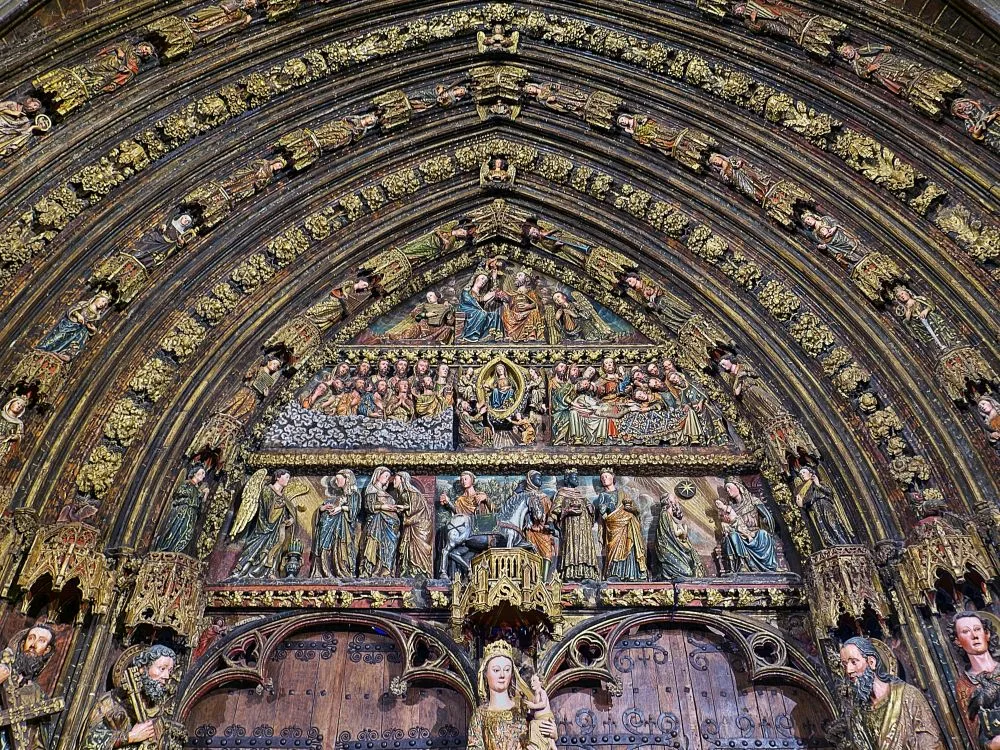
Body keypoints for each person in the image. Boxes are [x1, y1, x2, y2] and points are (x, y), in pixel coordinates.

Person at [839, 637, 944, 750]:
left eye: (854, 662)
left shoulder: (908, 696)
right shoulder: (857, 712)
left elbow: (932, 744)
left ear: (871, 662)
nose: (848, 670)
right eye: (845, 664)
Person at [81, 644, 178, 750]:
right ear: (143, 669)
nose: (166, 676)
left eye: (169, 671)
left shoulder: (157, 712)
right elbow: (89, 746)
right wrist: (130, 737)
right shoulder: (112, 702)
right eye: (162, 668)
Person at [467, 641, 556, 750]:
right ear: (485, 673)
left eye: (507, 670)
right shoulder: (480, 714)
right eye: (496, 670)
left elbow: (539, 734)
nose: (502, 675)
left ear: (512, 674)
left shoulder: (524, 708)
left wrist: (550, 736)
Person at [0, 623, 59, 750]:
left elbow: (39, 743)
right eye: (31, 638)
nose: (33, 645)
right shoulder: (2, 669)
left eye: (41, 641)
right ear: (23, 644)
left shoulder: (39, 696)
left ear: (47, 650)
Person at [951, 611, 1000, 750]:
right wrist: (990, 745)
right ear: (957, 641)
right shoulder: (965, 685)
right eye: (966, 631)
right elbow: (974, 731)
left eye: (978, 629)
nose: (974, 635)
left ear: (987, 634)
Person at [595, 469, 647, 581]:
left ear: (613, 478)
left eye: (607, 476)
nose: (604, 479)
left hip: (628, 523)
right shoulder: (603, 495)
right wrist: (606, 510)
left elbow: (637, 510)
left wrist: (631, 509)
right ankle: (614, 572)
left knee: (630, 545)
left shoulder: (623, 494)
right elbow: (602, 512)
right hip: (613, 524)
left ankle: (632, 574)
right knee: (614, 548)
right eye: (602, 477)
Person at [716, 478, 777, 573]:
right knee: (733, 536)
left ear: (739, 487)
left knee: (763, 534)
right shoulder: (730, 508)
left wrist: (766, 522)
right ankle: (742, 565)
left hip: (755, 532)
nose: (727, 491)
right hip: (739, 534)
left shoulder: (753, 501)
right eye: (726, 489)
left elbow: (767, 516)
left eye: (729, 487)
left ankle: (770, 566)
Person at [309, 470, 360, 578]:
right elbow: (323, 510)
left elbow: (354, 510)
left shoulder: (353, 494)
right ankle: (324, 569)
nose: (336, 482)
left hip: (344, 529)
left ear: (347, 479)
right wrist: (322, 509)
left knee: (342, 548)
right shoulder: (337, 498)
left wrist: (340, 508)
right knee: (325, 544)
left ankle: (343, 570)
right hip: (331, 527)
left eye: (338, 479)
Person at [552, 469, 600, 581]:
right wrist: (568, 510)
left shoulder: (581, 495)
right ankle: (571, 573)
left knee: (585, 547)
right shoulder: (562, 493)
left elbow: (591, 510)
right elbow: (555, 509)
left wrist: (591, 509)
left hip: (584, 528)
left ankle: (587, 573)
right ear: (567, 479)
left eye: (577, 477)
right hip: (571, 526)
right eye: (574, 477)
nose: (576, 480)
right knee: (572, 547)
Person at [153, 464, 209, 553]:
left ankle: (175, 551)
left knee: (187, 533)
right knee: (177, 529)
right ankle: (166, 549)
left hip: (192, 514)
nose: (203, 476)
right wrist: (197, 494)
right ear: (195, 473)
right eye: (202, 473)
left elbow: (200, 506)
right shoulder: (187, 483)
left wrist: (204, 494)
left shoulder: (197, 490)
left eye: (204, 474)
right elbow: (179, 492)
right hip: (183, 511)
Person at [358, 467, 401, 577]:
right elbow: (369, 507)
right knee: (373, 544)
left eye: (388, 477)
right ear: (378, 475)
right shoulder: (371, 490)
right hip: (376, 523)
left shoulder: (385, 493)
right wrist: (384, 507)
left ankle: (385, 571)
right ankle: (369, 570)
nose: (387, 479)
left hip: (390, 525)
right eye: (385, 476)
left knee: (389, 547)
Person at [654, 490, 705, 579]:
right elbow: (671, 534)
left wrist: (683, 532)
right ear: (669, 501)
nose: (676, 500)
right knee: (687, 572)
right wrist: (682, 531)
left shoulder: (670, 517)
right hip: (669, 548)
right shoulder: (665, 514)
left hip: (677, 549)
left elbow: (678, 536)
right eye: (674, 498)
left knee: (689, 571)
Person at [396, 472, 433, 578]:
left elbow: (418, 509)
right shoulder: (403, 493)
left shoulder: (412, 492)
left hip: (420, 525)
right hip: (411, 525)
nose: (394, 481)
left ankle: (420, 571)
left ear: (402, 479)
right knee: (408, 547)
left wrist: (404, 508)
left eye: (396, 479)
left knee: (418, 548)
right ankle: (410, 570)